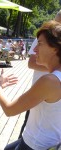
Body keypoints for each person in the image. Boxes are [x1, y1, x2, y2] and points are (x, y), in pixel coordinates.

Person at [0, 20, 61, 150]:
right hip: (52, 141)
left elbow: (9, 110)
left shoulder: (50, 81)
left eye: (40, 44)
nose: (35, 49)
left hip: (35, 144)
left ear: (55, 48)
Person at [18, 10, 61, 139]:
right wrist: (54, 67)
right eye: (57, 23)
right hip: (40, 92)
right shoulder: (45, 37)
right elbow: (31, 63)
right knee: (27, 132)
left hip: (54, 98)